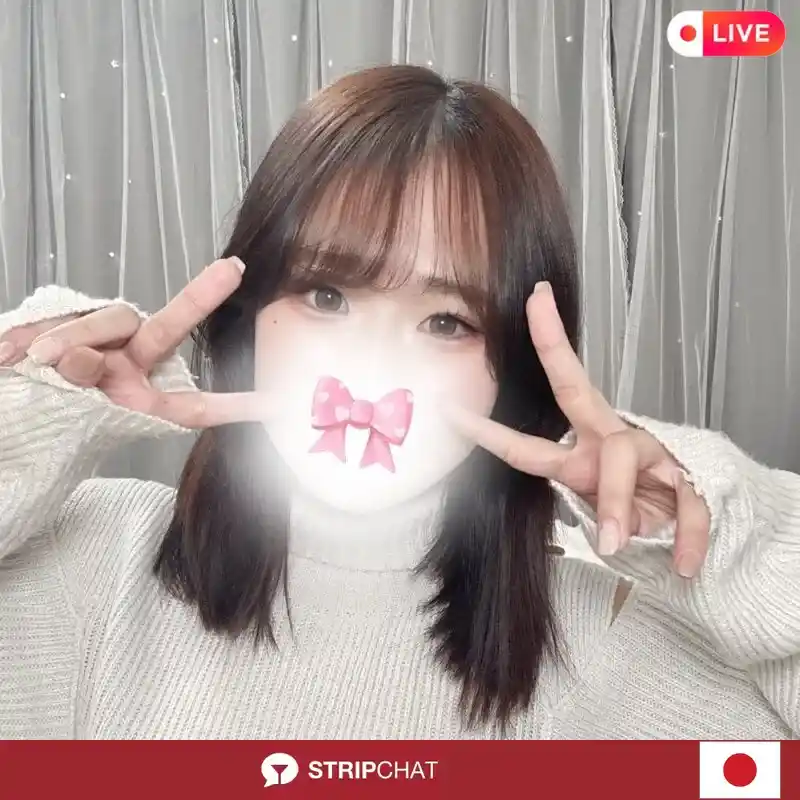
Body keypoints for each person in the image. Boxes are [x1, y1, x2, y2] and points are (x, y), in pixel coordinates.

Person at [0, 64, 797, 740]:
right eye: (326, 294)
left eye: (446, 322)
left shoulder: (608, 644)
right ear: (249, 317)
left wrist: (727, 534)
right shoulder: (95, 567)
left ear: (511, 374)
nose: (371, 367)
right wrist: (37, 409)